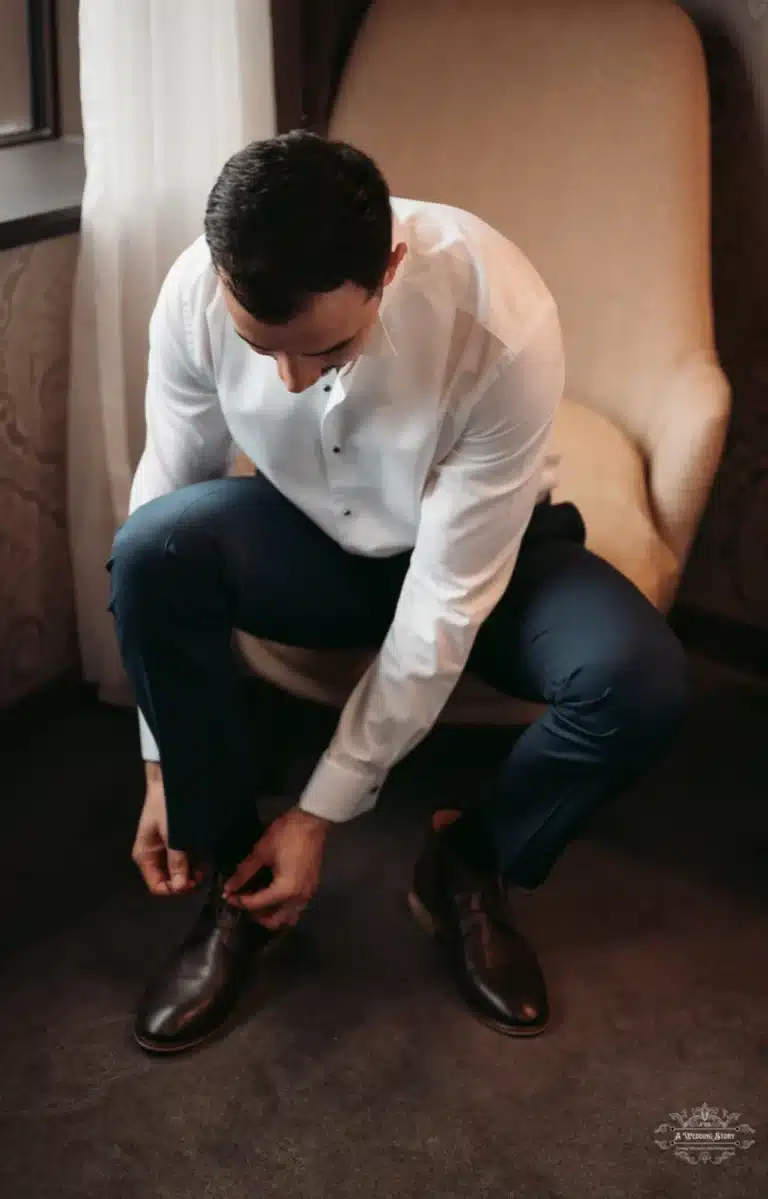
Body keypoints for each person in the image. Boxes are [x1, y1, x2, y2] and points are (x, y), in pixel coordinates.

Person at [108, 131, 687, 1054]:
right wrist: (159, 764)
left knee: (640, 682)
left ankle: (470, 858)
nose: (292, 380)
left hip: (481, 552)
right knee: (152, 547)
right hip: (306, 539)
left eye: (326, 349)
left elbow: (443, 606)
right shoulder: (194, 291)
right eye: (268, 352)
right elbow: (168, 488)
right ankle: (232, 881)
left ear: (389, 266)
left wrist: (319, 809)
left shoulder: (506, 323)